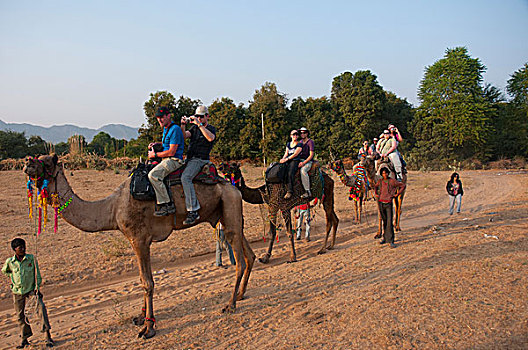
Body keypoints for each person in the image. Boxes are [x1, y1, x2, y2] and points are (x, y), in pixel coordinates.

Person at [2, 238, 54, 348]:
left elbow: (37, 274)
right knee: (20, 316)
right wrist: (12, 279)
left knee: (41, 309)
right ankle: (24, 338)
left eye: (24, 246)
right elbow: (5, 271)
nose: (23, 249)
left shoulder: (31, 259)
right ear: (14, 249)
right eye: (20, 247)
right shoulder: (10, 262)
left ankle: (47, 336)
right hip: (17, 291)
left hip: (31, 290)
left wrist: (37, 287)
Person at [180, 105, 216, 225]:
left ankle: (193, 210)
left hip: (200, 159)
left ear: (207, 116)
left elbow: (210, 138)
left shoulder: (210, 129)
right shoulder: (194, 128)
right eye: (197, 116)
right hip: (189, 158)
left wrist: (199, 125)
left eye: (201, 116)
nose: (199, 118)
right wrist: (183, 125)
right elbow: (184, 136)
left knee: (185, 177)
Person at [148, 106, 185, 216]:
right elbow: (166, 146)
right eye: (158, 118)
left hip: (174, 160)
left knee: (153, 175)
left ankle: (166, 204)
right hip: (167, 158)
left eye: (162, 117)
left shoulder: (175, 129)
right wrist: (156, 145)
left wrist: (154, 154)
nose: (159, 120)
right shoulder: (166, 129)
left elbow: (171, 152)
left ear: (168, 116)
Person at [374, 168, 405, 248]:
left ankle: (391, 240)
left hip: (388, 203)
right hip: (381, 202)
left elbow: (402, 185)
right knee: (384, 221)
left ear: (388, 173)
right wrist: (376, 194)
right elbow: (375, 186)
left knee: (389, 222)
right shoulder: (380, 181)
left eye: (386, 173)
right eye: (383, 173)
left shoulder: (392, 181)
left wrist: (397, 194)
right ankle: (385, 238)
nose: (385, 175)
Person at [280, 130, 303, 199]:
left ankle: (290, 191)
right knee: (281, 170)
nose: (295, 136)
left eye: (296, 135)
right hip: (288, 159)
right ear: (291, 136)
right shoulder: (288, 144)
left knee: (290, 172)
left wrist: (286, 159)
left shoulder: (299, 144)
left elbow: (295, 154)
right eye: (293, 134)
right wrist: (283, 159)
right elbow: (286, 153)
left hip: (295, 160)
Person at [298, 127, 315, 199]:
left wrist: (304, 162)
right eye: (301, 133)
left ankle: (307, 191)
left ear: (307, 133)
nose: (302, 134)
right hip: (299, 160)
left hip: (308, 161)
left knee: (303, 171)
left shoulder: (310, 142)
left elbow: (311, 155)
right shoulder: (300, 142)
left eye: (304, 132)